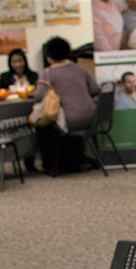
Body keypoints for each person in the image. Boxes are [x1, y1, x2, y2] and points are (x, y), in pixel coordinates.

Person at [34, 37, 102, 174]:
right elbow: (95, 90)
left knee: (42, 124)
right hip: (92, 119)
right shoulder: (81, 70)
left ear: (48, 56)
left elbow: (38, 96)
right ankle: (77, 160)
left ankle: (51, 165)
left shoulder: (47, 73)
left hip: (70, 122)